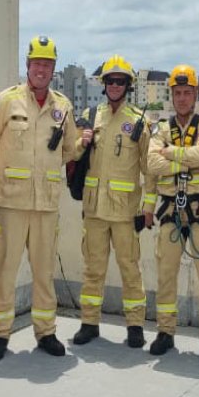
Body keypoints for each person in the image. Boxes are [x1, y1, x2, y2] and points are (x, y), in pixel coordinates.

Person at [0, 35, 77, 360]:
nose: (41, 69)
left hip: (46, 203)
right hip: (11, 201)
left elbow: (69, 150)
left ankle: (46, 332)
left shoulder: (62, 106)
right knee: (5, 270)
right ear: (27, 65)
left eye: (47, 64)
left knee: (43, 272)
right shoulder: (7, 101)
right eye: (37, 63)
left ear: (53, 68)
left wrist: (88, 141)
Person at [71, 55, 155, 349]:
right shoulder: (91, 115)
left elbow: (150, 169)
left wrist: (148, 208)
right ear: (104, 84)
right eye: (110, 80)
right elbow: (72, 156)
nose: (115, 85)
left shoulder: (139, 122)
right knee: (92, 269)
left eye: (120, 81)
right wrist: (80, 142)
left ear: (128, 85)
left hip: (125, 212)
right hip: (94, 209)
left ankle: (135, 326)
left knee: (130, 269)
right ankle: (89, 323)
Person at [147, 64, 199, 359]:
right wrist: (185, 162)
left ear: (195, 95)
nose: (181, 98)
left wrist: (170, 153)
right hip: (169, 211)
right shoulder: (160, 128)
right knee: (166, 274)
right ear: (171, 95)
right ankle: (165, 332)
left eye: (186, 93)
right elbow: (152, 165)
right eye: (177, 93)